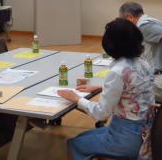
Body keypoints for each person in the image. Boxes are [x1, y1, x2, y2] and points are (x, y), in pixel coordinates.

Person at [57, 18, 154, 160]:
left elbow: (101, 114)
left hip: (126, 138)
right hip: (146, 132)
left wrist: (77, 99)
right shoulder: (143, 62)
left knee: (75, 143)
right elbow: (133, 89)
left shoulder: (118, 71)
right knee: (83, 137)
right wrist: (102, 88)